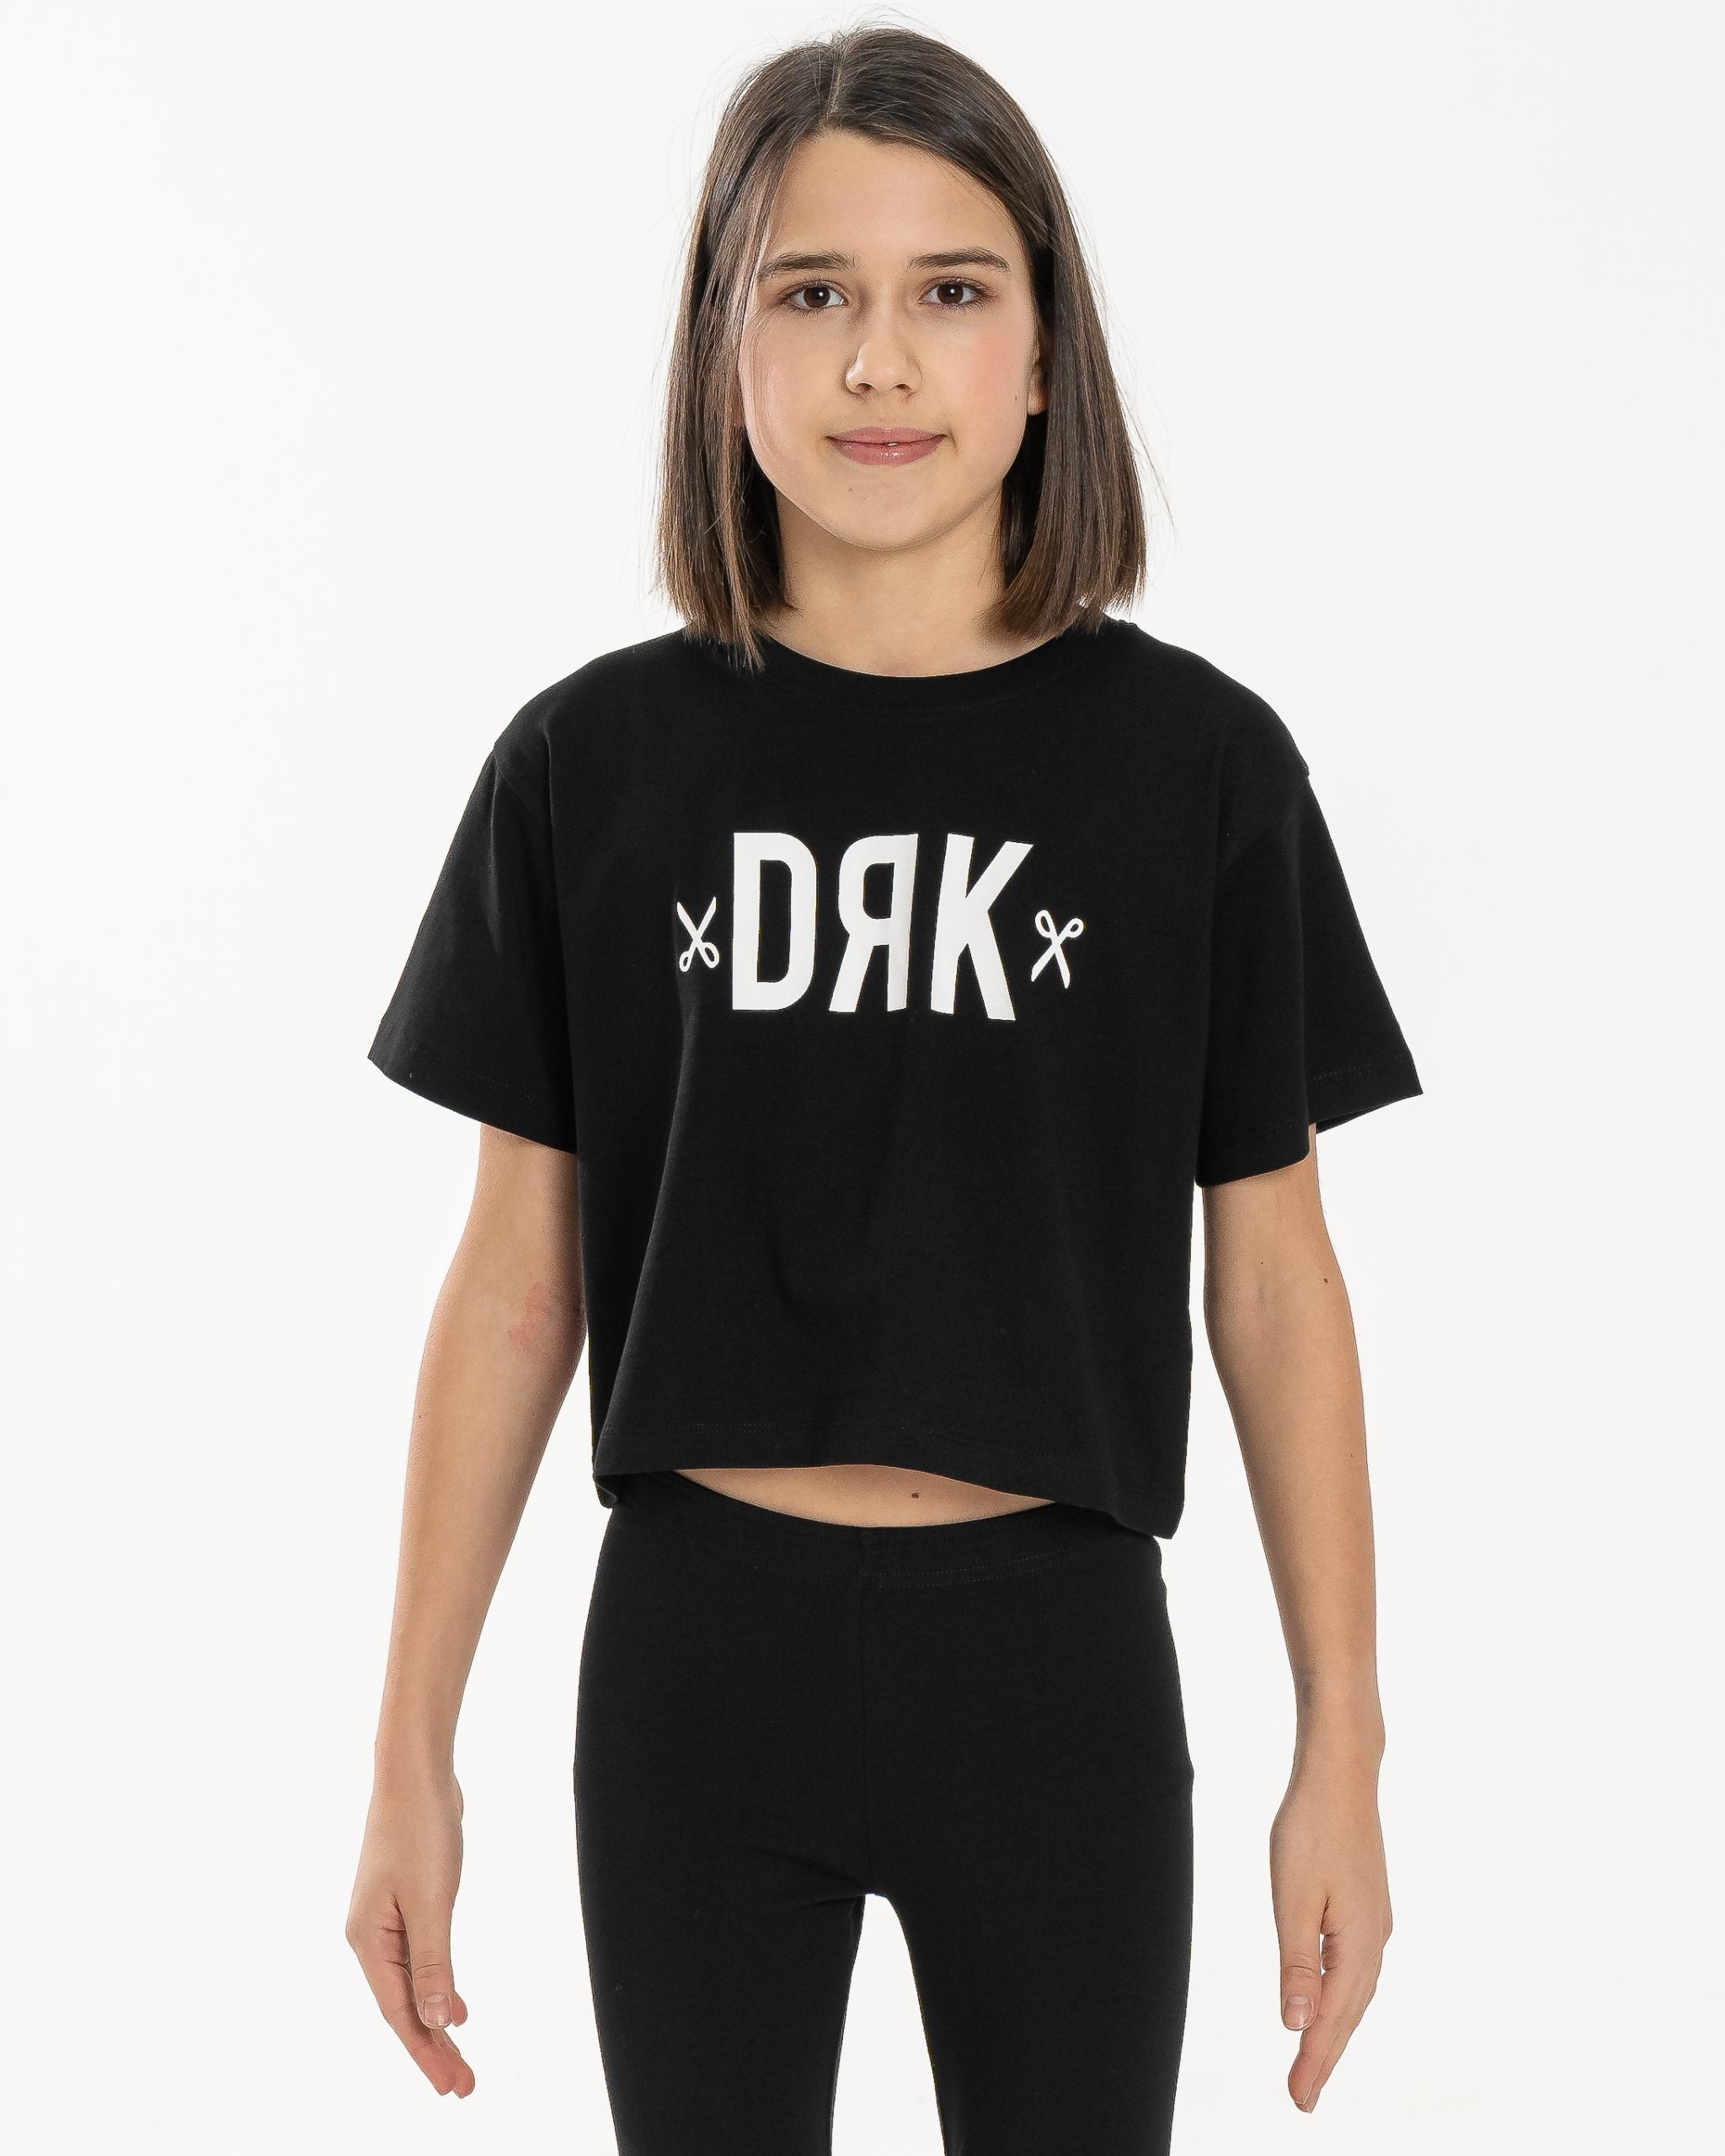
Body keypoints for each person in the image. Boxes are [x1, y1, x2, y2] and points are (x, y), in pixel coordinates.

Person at [345, 24, 1423, 2153]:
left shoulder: (1196, 770)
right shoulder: (588, 767)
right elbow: (515, 1283)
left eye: (951, 288)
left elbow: (1275, 1279)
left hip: (1054, 1660)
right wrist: (410, 1745)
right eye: (810, 290)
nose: (878, 359)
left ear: (1044, 355)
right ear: (720, 348)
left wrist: (1342, 1743)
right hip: (696, 1657)